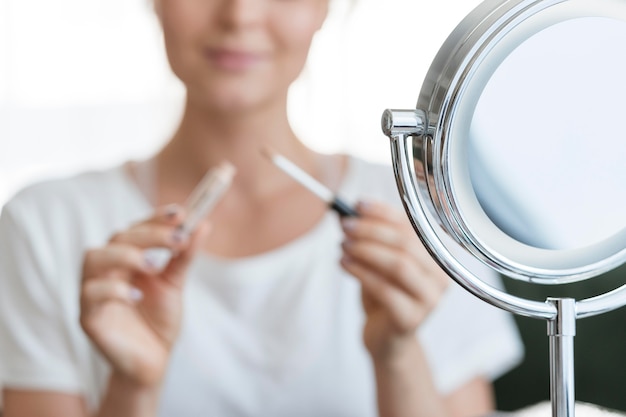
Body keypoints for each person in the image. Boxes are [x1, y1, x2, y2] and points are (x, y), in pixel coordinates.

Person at [0, 0, 523, 416]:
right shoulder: (45, 225)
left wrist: (397, 355)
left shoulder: (425, 215)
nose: (240, 13)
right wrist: (132, 389)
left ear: (327, 8)